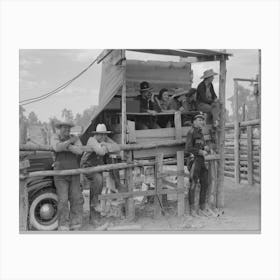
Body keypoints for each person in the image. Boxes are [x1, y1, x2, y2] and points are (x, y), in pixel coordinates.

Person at [80, 123, 122, 226]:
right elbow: (100, 152)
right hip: (87, 167)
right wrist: (105, 147)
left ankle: (94, 217)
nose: (103, 137)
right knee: (98, 180)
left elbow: (117, 147)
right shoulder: (92, 140)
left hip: (97, 167)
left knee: (97, 187)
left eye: (104, 134)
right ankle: (95, 205)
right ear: (97, 134)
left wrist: (106, 145)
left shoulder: (104, 139)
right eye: (101, 134)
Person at [51, 120, 84, 231]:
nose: (67, 129)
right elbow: (57, 148)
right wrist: (70, 143)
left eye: (68, 128)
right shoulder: (55, 137)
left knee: (76, 198)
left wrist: (67, 146)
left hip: (74, 173)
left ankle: (75, 223)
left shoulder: (75, 137)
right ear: (60, 128)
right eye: (64, 127)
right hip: (60, 174)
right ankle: (63, 225)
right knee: (63, 200)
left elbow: (80, 151)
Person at [185, 113, 211, 217]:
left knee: (205, 183)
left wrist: (206, 148)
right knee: (193, 184)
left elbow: (202, 144)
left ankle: (202, 208)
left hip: (201, 161)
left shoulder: (200, 132)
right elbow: (188, 148)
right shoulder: (191, 132)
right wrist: (200, 152)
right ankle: (192, 210)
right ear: (194, 122)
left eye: (202, 120)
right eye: (199, 120)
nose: (201, 122)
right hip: (194, 160)